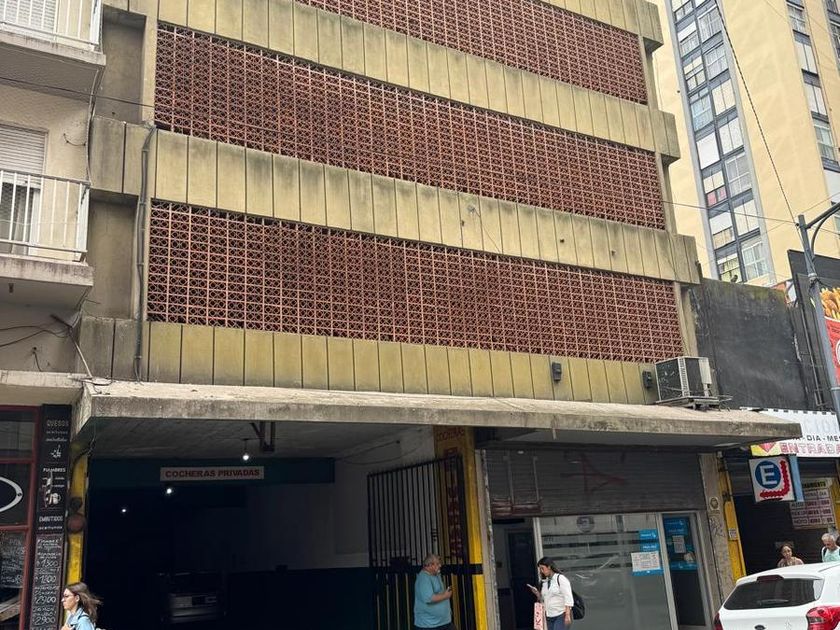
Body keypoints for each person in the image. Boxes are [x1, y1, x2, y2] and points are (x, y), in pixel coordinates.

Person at [528, 557, 573, 629]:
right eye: (540, 569)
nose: (541, 571)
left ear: (549, 567)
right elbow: (544, 599)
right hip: (549, 615)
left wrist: (567, 615)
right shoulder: (545, 582)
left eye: (542, 568)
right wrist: (537, 594)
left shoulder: (560, 578)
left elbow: (568, 597)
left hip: (561, 614)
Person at [414, 554, 453, 630]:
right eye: (437, 564)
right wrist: (446, 595)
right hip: (429, 625)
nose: (440, 565)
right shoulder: (423, 578)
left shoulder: (436, 575)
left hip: (443, 622)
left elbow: (439, 592)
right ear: (430, 565)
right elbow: (429, 598)